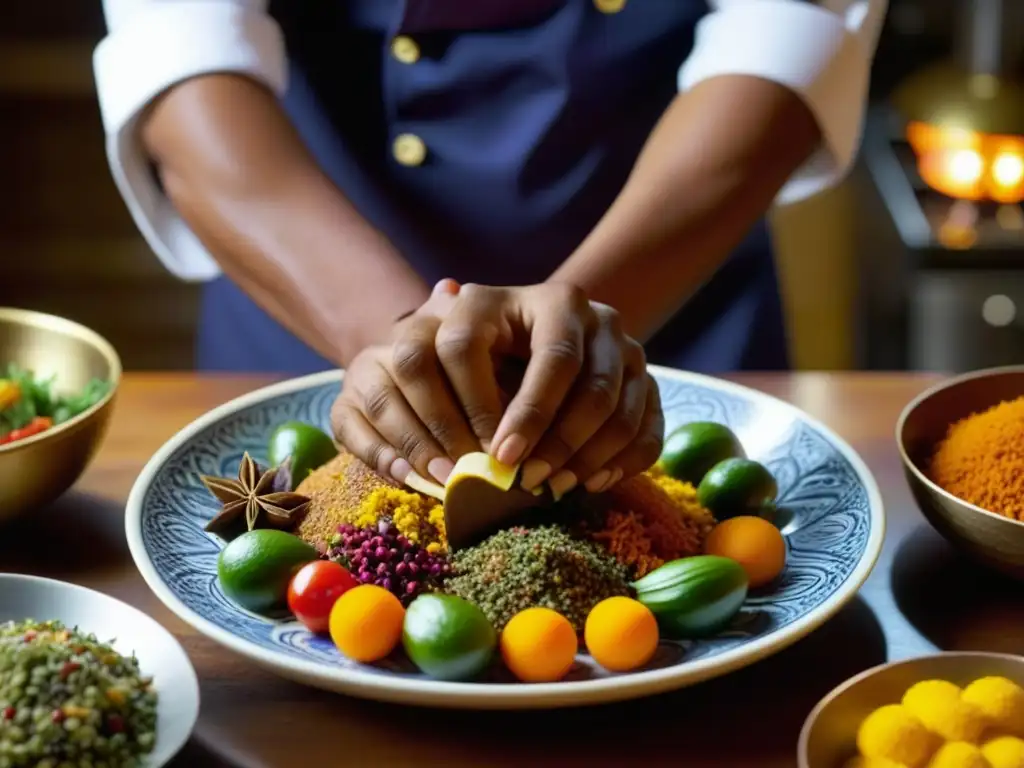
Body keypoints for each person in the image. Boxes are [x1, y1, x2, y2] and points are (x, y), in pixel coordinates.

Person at [93, 0, 887, 495]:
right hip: (312, 288)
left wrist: (574, 350)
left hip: (669, 285)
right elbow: (181, 55)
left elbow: (786, 34)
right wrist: (405, 347)